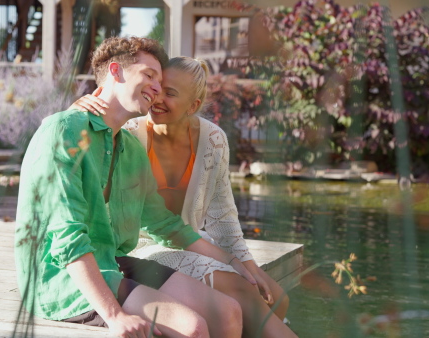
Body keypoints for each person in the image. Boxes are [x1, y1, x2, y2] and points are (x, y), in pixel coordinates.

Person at [15, 37, 255, 338]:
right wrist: (115, 316)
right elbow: (67, 237)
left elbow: (167, 225)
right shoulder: (63, 132)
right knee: (193, 328)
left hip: (111, 262)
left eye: (161, 80)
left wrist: (236, 263)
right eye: (149, 75)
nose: (157, 87)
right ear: (116, 71)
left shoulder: (130, 147)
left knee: (228, 310)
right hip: (61, 277)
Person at [71, 56, 298, 338]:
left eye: (171, 93)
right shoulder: (129, 134)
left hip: (193, 242)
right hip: (140, 247)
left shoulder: (213, 139)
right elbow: (80, 138)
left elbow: (223, 218)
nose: (157, 97)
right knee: (240, 291)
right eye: (157, 87)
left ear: (193, 105)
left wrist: (251, 268)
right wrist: (78, 108)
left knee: (277, 296)